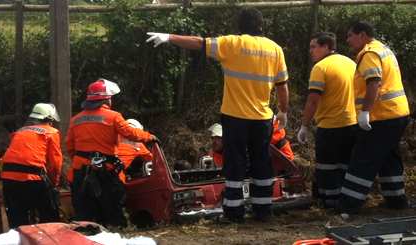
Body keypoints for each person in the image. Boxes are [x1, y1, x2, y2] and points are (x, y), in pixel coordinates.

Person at [146, 8, 289, 222]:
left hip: (235, 117)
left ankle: (233, 213)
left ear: (240, 25)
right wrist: (284, 111)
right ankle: (263, 211)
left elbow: (198, 42)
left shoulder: (232, 44)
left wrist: (169, 37)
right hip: (262, 118)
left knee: (235, 163)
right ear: (261, 25)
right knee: (261, 162)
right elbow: (282, 86)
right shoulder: (275, 49)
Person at [338, 21, 410, 216]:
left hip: (381, 116)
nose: (348, 40)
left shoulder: (369, 54)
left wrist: (365, 112)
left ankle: (348, 205)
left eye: (350, 35)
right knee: (388, 157)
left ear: (362, 35)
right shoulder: (382, 49)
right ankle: (396, 200)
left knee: (363, 158)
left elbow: (373, 83)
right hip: (397, 114)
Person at [66, 78, 158, 228]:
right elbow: (130, 133)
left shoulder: (75, 119)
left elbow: (70, 146)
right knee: (113, 210)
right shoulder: (113, 116)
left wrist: (81, 160)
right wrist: (149, 137)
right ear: (107, 100)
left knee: (84, 213)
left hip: (80, 172)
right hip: (105, 171)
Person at [296, 32, 357, 208]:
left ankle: (330, 203)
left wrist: (304, 126)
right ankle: (345, 201)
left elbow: (313, 100)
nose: (310, 51)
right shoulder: (350, 63)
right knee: (345, 166)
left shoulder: (321, 67)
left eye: (314, 47)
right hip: (352, 124)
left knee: (327, 167)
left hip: (330, 126)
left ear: (326, 47)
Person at [1, 103, 63, 228]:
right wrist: (54, 183)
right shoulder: (51, 132)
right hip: (33, 179)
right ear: (49, 119)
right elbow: (55, 162)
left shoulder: (20, 132)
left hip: (8, 179)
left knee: (18, 221)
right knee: (49, 218)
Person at [203, 122, 293, 169]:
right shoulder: (213, 155)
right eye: (213, 138)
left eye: (218, 138)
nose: (214, 142)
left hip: (281, 158)